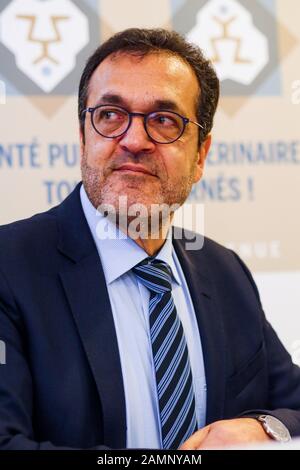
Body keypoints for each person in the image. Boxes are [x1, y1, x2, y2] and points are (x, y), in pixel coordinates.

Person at [0, 28, 299, 451]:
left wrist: (266, 429)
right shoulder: (9, 267)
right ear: (83, 137)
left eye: (164, 120)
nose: (134, 140)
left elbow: (293, 405)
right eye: (109, 115)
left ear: (200, 156)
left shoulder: (225, 270)